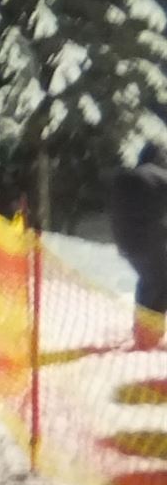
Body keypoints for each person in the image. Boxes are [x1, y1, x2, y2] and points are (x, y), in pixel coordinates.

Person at [109, 141, 167, 349]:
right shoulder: (159, 177)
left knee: (149, 280)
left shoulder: (129, 177)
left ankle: (143, 331)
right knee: (161, 281)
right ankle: (149, 335)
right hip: (149, 242)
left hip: (126, 243)